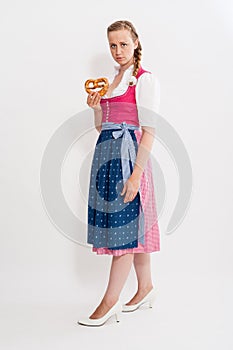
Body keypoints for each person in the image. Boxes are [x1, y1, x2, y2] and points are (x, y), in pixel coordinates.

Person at [78, 20, 160, 327]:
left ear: (136, 42)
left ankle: (109, 303)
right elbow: (103, 127)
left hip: (129, 158)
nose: (118, 51)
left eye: (124, 44)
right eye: (113, 45)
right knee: (132, 227)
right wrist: (96, 108)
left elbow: (149, 132)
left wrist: (137, 174)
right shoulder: (112, 80)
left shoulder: (143, 80)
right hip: (107, 157)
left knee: (124, 232)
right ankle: (146, 288)